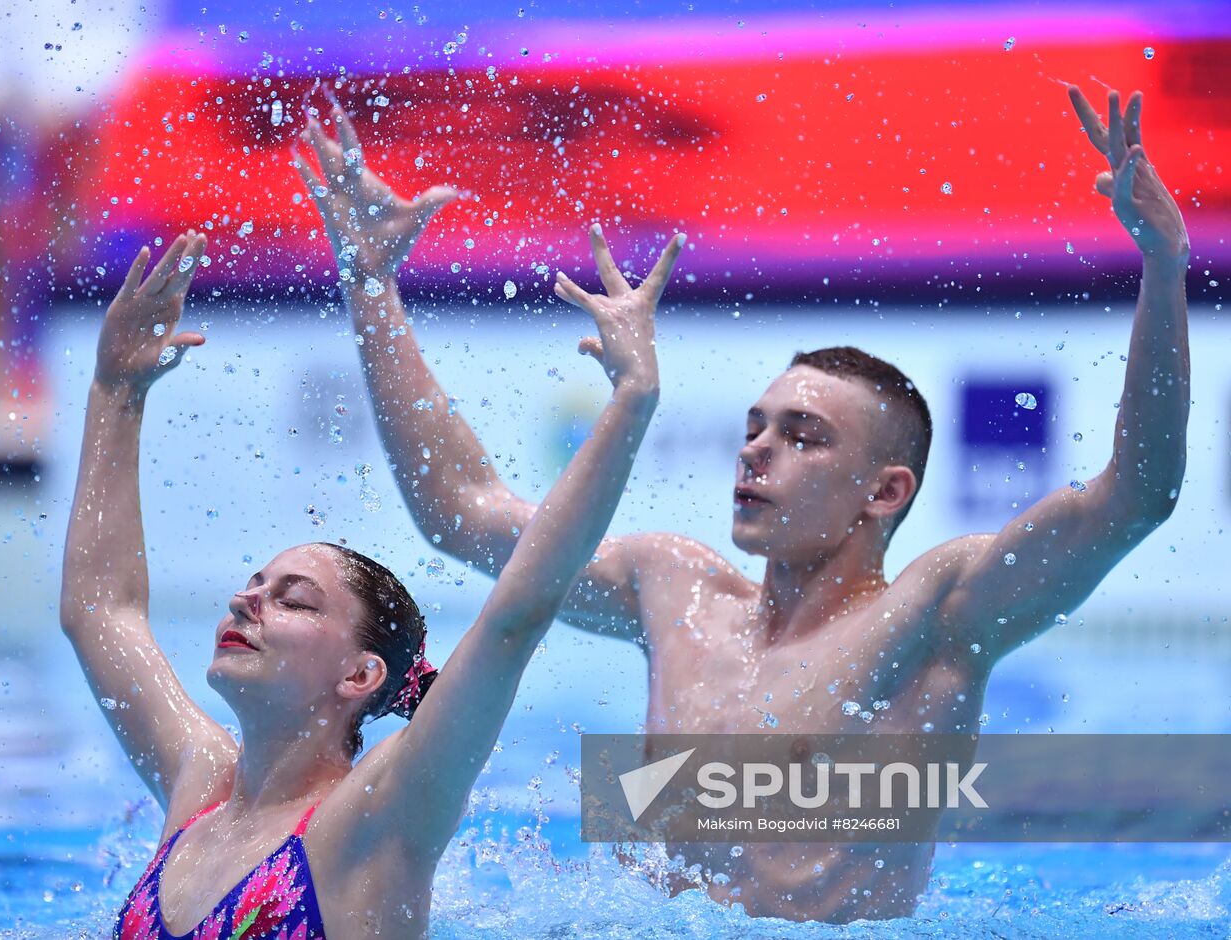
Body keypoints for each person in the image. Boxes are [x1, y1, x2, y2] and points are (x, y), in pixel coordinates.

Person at [317, 85, 1191, 922]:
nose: (757, 451)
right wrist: (370, 284)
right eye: (755, 426)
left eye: (803, 436)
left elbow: (1137, 496)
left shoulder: (939, 613)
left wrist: (1163, 265)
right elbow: (461, 514)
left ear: (885, 493)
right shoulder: (675, 591)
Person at [60, 217, 682, 937]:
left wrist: (632, 399)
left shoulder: (377, 813)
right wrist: (116, 388)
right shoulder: (199, 786)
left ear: (359, 674)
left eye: (291, 599)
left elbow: (516, 614)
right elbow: (100, 611)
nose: (245, 600)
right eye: (254, 585)